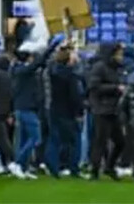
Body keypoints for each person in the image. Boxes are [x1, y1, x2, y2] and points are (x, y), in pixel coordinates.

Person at [12, 35, 64, 177]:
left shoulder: (19, 70)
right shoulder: (22, 71)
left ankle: (23, 167)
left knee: (23, 139)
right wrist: (52, 46)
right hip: (26, 108)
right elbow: (40, 61)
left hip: (23, 107)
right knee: (36, 138)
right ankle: (17, 163)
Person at [87, 43, 126, 180]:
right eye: (119, 54)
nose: (121, 57)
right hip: (102, 109)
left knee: (120, 142)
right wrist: (116, 88)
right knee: (100, 142)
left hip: (113, 110)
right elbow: (94, 86)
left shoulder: (116, 69)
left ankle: (109, 166)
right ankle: (95, 171)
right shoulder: (99, 67)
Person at [46, 45, 83, 179]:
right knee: (74, 141)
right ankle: (74, 168)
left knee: (54, 139)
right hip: (68, 112)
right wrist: (78, 112)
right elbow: (75, 96)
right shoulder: (71, 75)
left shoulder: (52, 72)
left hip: (54, 109)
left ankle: (53, 167)